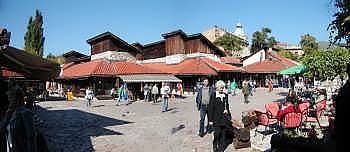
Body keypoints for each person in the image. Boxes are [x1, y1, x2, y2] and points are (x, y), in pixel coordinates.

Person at [208, 80, 234, 152]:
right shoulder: (213, 95)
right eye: (220, 88)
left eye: (223, 88)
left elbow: (227, 106)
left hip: (224, 118)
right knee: (217, 134)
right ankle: (215, 144)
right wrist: (210, 120)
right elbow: (210, 108)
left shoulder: (225, 95)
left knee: (223, 134)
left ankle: (220, 149)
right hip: (216, 118)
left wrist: (228, 113)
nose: (222, 89)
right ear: (217, 88)